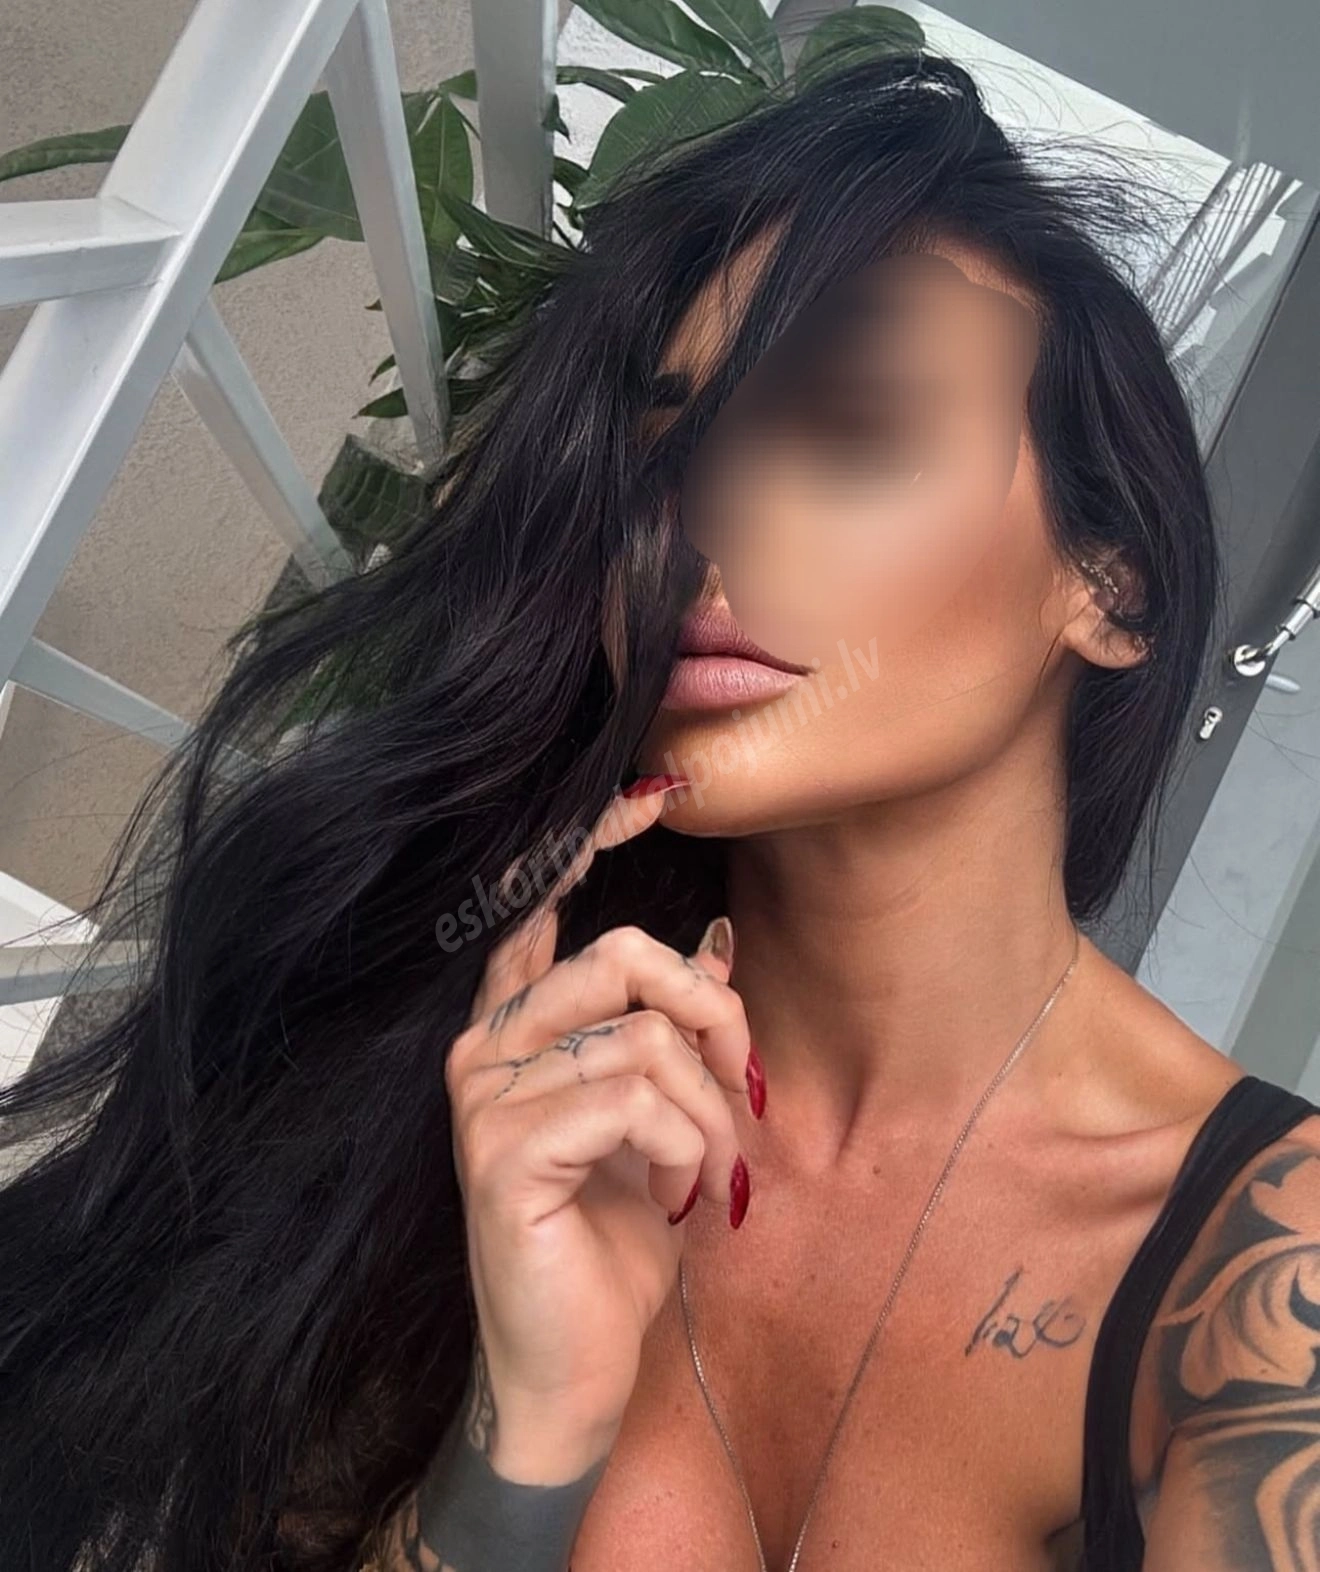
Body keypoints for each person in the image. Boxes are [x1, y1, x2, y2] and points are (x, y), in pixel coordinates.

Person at [2, 44, 1317, 1572]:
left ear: (1110, 586)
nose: (708, 520)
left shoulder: (1262, 1279)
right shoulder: (464, 1079)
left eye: (849, 423)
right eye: (663, 449)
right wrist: (522, 1447)